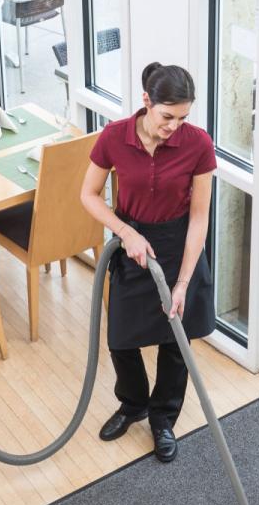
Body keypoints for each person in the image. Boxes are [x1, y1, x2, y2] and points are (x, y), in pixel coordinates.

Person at [79, 62, 216, 463]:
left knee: (175, 342)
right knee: (121, 338)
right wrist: (125, 232)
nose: (174, 126)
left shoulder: (198, 145)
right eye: (167, 116)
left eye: (183, 118)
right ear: (146, 102)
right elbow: (88, 195)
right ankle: (134, 403)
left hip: (179, 245)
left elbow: (200, 218)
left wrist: (183, 282)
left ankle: (163, 418)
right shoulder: (115, 137)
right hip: (133, 241)